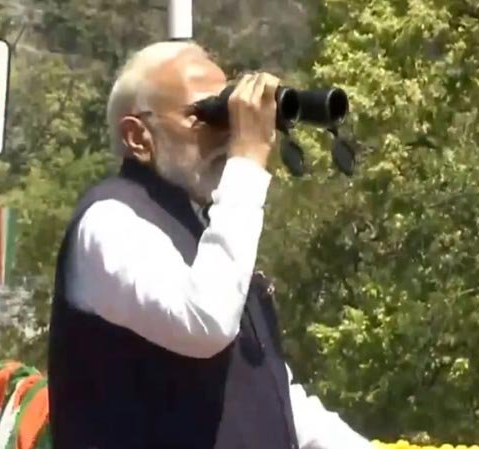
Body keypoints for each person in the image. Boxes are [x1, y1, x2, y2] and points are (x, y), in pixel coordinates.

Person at [47, 41, 373, 449]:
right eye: (206, 114)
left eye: (231, 115)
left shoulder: (206, 232)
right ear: (138, 137)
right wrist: (247, 159)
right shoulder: (110, 221)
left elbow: (269, 395)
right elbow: (206, 322)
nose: (228, 133)